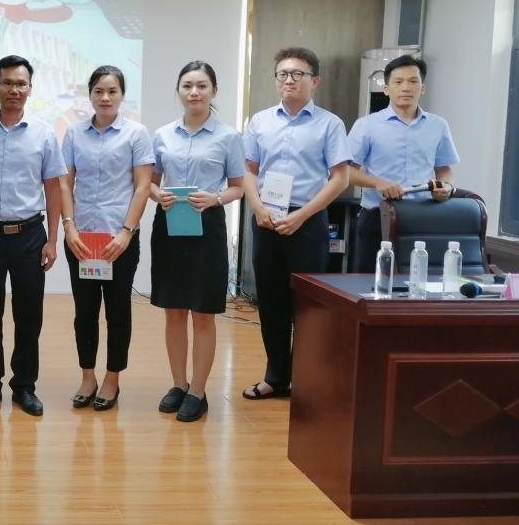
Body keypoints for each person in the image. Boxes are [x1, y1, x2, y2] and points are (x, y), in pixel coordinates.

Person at [242, 47, 350, 400]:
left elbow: (340, 179)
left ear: (314, 80)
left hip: (308, 220)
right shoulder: (259, 122)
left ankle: (304, 380)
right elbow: (248, 171)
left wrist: (301, 215)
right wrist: (257, 208)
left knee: (307, 306)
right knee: (270, 301)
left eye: (297, 74)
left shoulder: (330, 124)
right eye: (283, 74)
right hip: (266, 220)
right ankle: (275, 377)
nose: (289, 80)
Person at [0, 55, 66, 417]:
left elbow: (53, 188)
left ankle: (24, 386)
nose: (14, 90)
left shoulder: (43, 133)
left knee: (29, 316)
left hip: (29, 236)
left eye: (21, 84)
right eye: (7, 83)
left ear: (30, 89)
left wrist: (52, 239)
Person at [149, 61, 245, 423]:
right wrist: (158, 195)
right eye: (187, 85)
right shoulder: (162, 135)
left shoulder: (228, 137)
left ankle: (198, 391)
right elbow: (150, 182)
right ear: (178, 90)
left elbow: (238, 187)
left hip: (208, 225)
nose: (194, 92)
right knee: (174, 310)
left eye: (202, 86)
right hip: (170, 223)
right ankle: (178, 383)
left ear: (214, 91)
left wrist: (215, 198)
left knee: (203, 313)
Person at [60, 65, 153, 411]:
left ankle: (112, 379)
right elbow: (65, 183)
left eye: (112, 91)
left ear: (122, 95)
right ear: (90, 94)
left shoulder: (136, 133)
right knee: (84, 312)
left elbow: (143, 186)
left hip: (119, 240)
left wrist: (127, 232)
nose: (105, 97)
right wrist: (69, 227)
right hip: (82, 240)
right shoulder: (74, 134)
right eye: (98, 91)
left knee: (118, 312)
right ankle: (88, 376)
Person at [347, 55, 459, 272]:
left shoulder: (438, 125)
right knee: (370, 281)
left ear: (422, 88)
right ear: (386, 89)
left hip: (423, 215)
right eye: (398, 82)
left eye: (413, 81)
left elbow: (444, 169)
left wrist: (446, 186)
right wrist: (378, 183)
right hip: (378, 216)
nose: (406, 87)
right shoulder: (366, 125)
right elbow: (346, 172)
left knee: (418, 280)